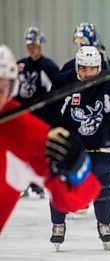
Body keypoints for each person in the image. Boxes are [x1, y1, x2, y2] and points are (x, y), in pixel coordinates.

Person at [0, 44, 100, 234]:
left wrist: (78, 170)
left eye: (0, 88)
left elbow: (72, 200)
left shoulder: (24, 134)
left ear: (11, 88)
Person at [46, 46, 110, 250]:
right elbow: (52, 113)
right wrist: (51, 138)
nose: (87, 73)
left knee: (103, 179)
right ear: (77, 66)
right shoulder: (63, 82)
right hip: (70, 143)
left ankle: (104, 225)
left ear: (99, 68)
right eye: (83, 68)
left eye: (92, 69)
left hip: (99, 141)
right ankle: (58, 224)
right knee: (60, 181)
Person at [62, 22, 110, 218]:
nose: (80, 44)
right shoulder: (71, 67)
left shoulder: (109, 66)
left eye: (83, 40)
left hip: (105, 120)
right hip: (81, 123)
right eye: (78, 41)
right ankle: (81, 197)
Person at [16, 26, 60, 198]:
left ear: (41, 45)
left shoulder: (48, 67)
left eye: (34, 45)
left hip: (42, 118)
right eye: (29, 46)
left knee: (41, 151)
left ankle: (38, 182)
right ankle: (24, 182)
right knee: (22, 151)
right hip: (23, 117)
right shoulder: (20, 65)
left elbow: (57, 92)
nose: (31, 49)